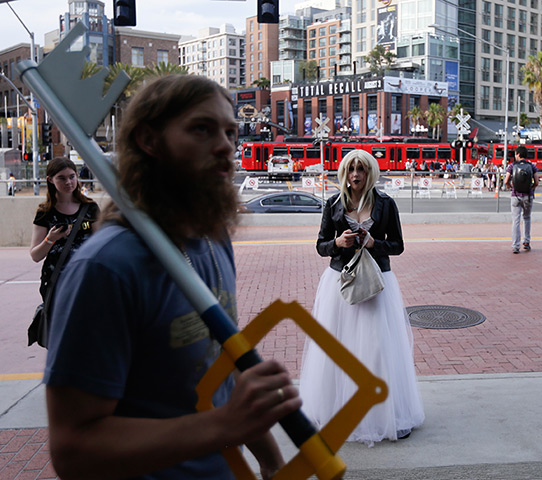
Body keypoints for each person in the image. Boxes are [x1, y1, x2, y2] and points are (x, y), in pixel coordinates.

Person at [44, 75, 299, 479]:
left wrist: (269, 459)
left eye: (231, 132)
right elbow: (73, 450)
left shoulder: (214, 239)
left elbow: (224, 361)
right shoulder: (106, 268)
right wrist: (224, 425)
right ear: (149, 140)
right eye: (202, 129)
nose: (226, 146)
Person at [299, 149, 424, 446]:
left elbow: (397, 246)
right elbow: (320, 246)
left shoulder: (385, 204)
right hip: (339, 283)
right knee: (338, 346)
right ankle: (335, 409)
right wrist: (338, 243)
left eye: (362, 169)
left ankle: (385, 415)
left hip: (376, 283)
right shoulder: (332, 204)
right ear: (344, 172)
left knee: (379, 347)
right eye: (351, 169)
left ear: (370, 172)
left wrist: (373, 242)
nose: (356, 175)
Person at [30, 157, 99, 302]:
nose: (68, 182)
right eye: (61, 178)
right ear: (50, 180)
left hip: (87, 277)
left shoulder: (90, 208)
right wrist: (50, 239)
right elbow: (35, 255)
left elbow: (101, 243)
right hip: (57, 280)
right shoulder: (45, 212)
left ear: (77, 176)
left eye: (71, 177)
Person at [504, 146, 541, 254]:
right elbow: (537, 182)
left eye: (515, 154)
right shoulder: (532, 166)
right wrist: (531, 188)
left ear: (518, 154)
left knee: (516, 220)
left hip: (515, 196)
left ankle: (515, 246)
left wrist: (511, 187)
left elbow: (506, 180)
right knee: (527, 218)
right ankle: (526, 241)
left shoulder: (512, 166)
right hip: (527, 196)